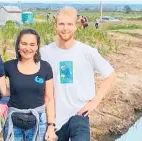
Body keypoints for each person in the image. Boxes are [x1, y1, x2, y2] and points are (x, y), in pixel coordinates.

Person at [40, 7, 115, 141]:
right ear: (55, 26)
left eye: (70, 24)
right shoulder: (45, 53)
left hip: (79, 115)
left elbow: (109, 74)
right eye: (61, 24)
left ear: (76, 27)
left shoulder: (87, 52)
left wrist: (94, 102)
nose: (65, 28)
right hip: (54, 119)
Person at [3, 29, 57, 141]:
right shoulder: (8, 66)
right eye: (24, 43)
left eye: (32, 44)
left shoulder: (45, 67)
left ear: (37, 47)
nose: (28, 48)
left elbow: (49, 99)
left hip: (39, 122)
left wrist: (51, 126)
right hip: (14, 122)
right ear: (18, 45)